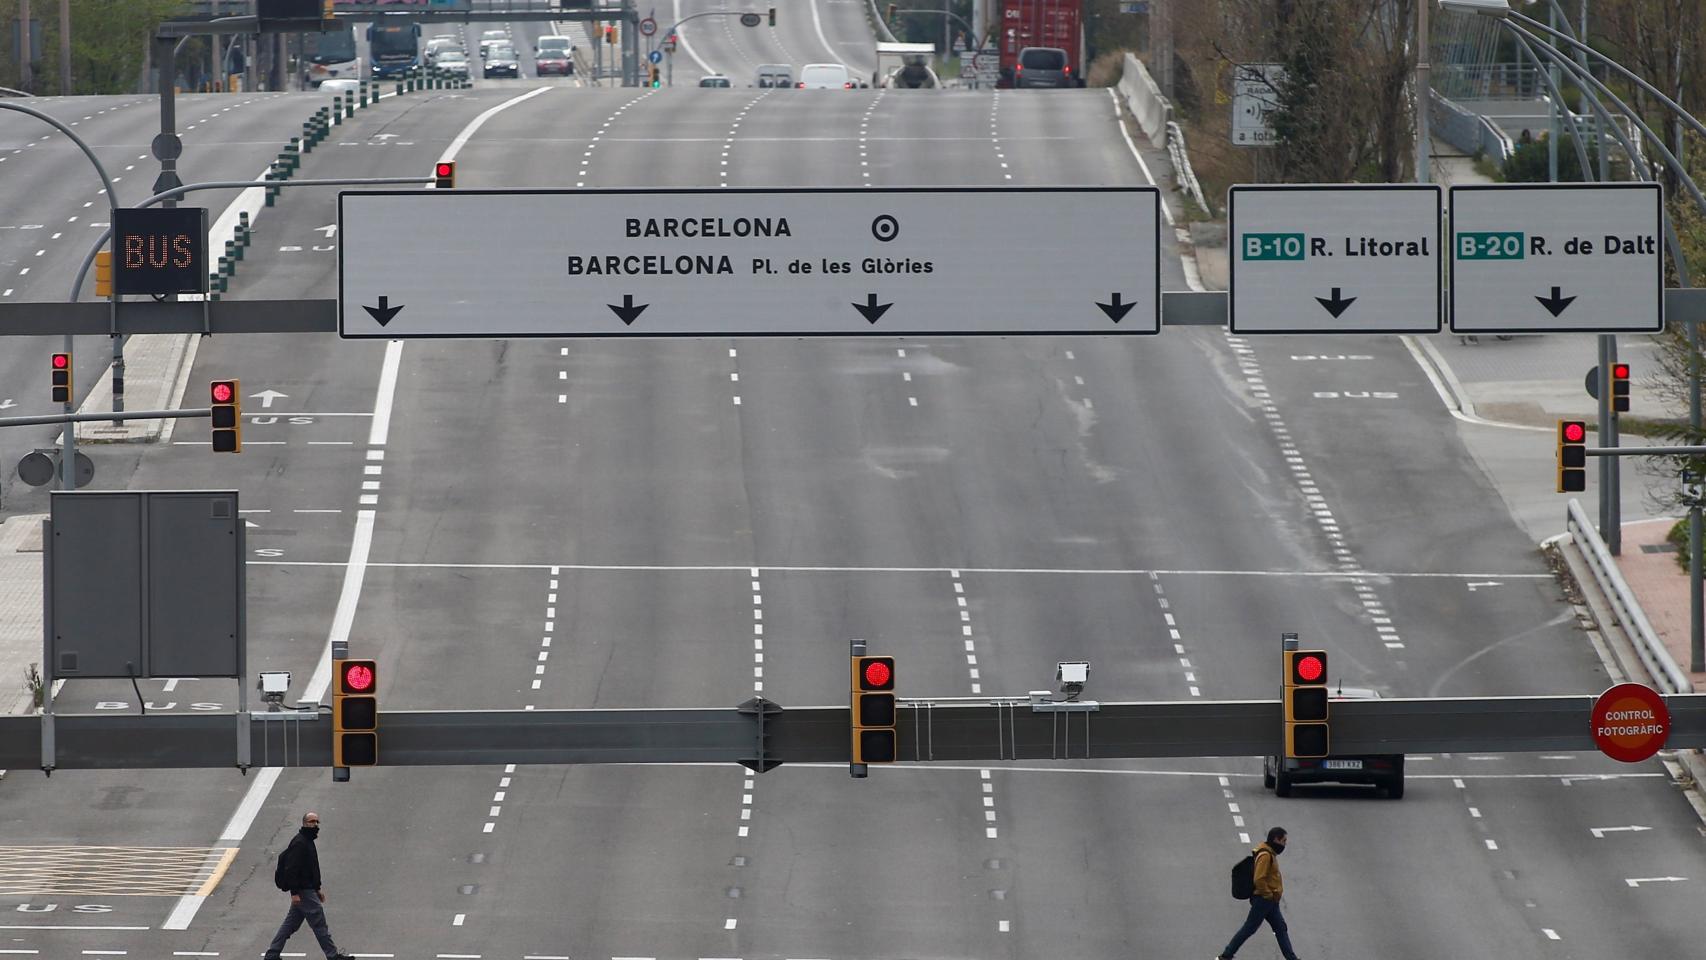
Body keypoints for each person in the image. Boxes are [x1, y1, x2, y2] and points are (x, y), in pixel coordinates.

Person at [264, 812, 354, 960]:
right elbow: (291, 869)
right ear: (305, 823)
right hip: (304, 891)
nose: (315, 825)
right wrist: (294, 893)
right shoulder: (300, 843)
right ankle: (332, 956)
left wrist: (317, 888)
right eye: (312, 822)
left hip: (308, 889)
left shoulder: (307, 841)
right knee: (319, 923)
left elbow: (311, 869)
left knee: (290, 924)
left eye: (317, 822)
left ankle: (272, 954)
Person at [1217, 826, 1300, 960]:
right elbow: (1259, 878)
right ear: (1276, 839)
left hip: (1270, 901)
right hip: (1264, 900)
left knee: (1280, 928)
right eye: (1283, 841)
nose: (1285, 844)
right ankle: (1226, 955)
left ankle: (1292, 958)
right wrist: (1268, 894)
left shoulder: (1270, 853)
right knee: (1249, 928)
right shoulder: (1266, 855)